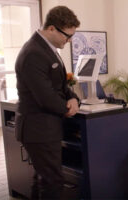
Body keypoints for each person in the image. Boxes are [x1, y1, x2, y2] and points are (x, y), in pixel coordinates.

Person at [15, 6, 80, 199]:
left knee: (43, 179)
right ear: (51, 28)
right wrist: (67, 109)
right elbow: (44, 96)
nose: (69, 41)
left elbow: (60, 85)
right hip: (38, 129)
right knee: (52, 182)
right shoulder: (34, 52)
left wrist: (73, 98)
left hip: (44, 128)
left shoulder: (47, 49)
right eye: (67, 36)